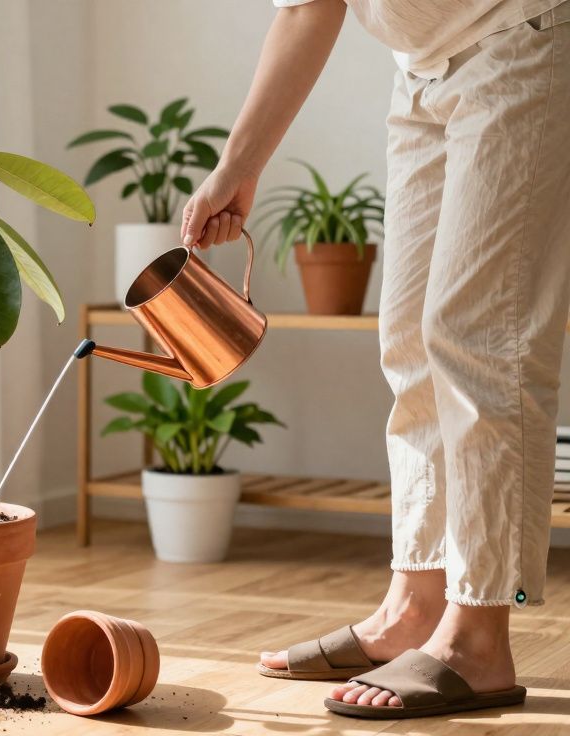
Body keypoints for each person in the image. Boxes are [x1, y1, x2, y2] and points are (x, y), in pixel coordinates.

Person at [181, 0, 570, 719]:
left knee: (482, 336)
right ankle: (413, 607)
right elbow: (308, 7)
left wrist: (237, 165)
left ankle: (479, 634)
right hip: (420, 70)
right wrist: (238, 167)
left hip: (523, 38)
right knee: (410, 339)